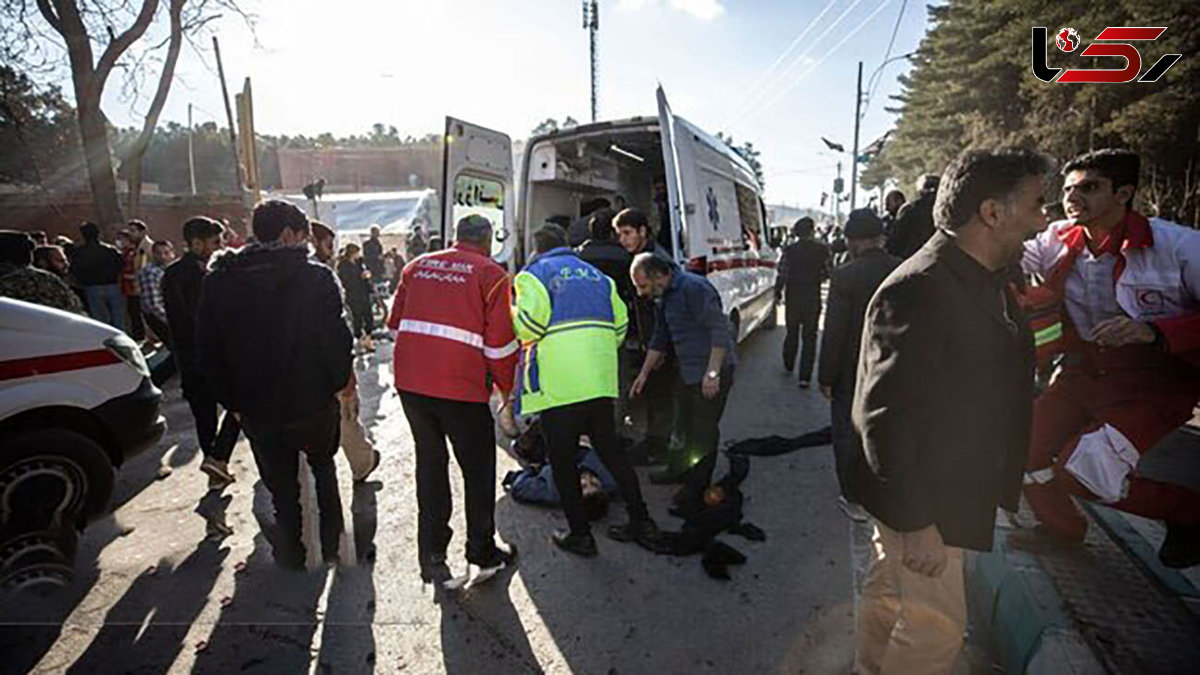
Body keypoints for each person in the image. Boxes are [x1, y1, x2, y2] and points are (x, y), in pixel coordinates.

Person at [852, 149, 1048, 674]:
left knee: (888, 594)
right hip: (927, 503)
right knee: (933, 634)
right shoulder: (922, 287)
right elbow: (884, 417)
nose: (1043, 219)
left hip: (940, 493)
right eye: (1036, 204)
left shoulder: (985, 278)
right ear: (992, 212)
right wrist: (917, 523)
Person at [1016, 149, 1200, 568]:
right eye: (1067, 189)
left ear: (1125, 193)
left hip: (1155, 383)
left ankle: (1191, 513)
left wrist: (1154, 331)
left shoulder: (1180, 247)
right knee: (1018, 450)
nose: (1073, 197)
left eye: (1089, 187)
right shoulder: (1055, 239)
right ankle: (1060, 530)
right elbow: (1005, 254)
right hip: (1082, 372)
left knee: (1086, 471)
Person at [197, 200, 353, 568]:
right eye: (303, 236)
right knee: (324, 470)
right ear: (287, 235)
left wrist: (231, 400)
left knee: (281, 487)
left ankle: (292, 554)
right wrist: (337, 384)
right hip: (312, 401)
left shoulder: (220, 280)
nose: (308, 244)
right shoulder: (316, 278)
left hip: (255, 407)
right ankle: (331, 548)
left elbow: (207, 348)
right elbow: (337, 340)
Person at [514, 223, 662, 557]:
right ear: (567, 245)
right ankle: (642, 520)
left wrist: (513, 316)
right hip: (599, 381)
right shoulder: (597, 277)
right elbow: (621, 325)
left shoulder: (532, 275)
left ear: (538, 247)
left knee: (563, 463)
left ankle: (580, 535)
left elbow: (530, 326)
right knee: (611, 453)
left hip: (561, 385)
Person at [386, 214, 518, 582]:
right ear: (488, 240)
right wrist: (505, 390)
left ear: (456, 237)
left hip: (412, 384)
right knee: (477, 471)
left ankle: (431, 553)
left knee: (429, 464)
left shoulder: (415, 267)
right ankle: (482, 551)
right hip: (461, 388)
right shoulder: (491, 275)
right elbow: (500, 345)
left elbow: (394, 325)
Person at [816, 209, 900, 523]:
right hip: (894, 366)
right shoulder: (903, 269)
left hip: (853, 369)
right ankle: (881, 490)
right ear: (881, 237)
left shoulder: (845, 275)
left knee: (847, 432)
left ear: (851, 241)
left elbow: (834, 331)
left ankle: (853, 496)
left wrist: (825, 375)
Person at [630, 253, 736, 496]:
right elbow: (660, 337)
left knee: (703, 431)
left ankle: (697, 487)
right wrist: (643, 374)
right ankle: (678, 470)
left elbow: (720, 331)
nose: (640, 293)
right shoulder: (664, 296)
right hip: (688, 371)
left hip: (711, 369)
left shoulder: (694, 289)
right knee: (682, 425)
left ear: (659, 276)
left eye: (643, 286)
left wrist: (712, 374)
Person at [163, 217, 242, 490]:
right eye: (215, 242)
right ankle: (217, 460)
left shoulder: (207, 270)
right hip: (205, 355)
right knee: (234, 406)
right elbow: (192, 318)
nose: (219, 247)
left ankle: (216, 463)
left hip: (196, 355)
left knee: (215, 414)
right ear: (196, 243)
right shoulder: (185, 275)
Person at [310, 220, 381, 483]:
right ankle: (362, 463)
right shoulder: (316, 275)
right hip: (322, 367)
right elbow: (333, 331)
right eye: (328, 244)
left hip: (297, 372)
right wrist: (346, 376)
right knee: (346, 415)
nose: (331, 249)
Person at [614, 207, 677, 469]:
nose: (622, 239)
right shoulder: (642, 255)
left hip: (661, 341)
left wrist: (658, 347)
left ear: (643, 231)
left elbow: (664, 309)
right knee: (654, 393)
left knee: (660, 394)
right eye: (619, 234)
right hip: (651, 337)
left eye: (627, 233)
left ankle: (658, 448)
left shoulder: (655, 261)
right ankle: (655, 443)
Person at [775, 217, 831, 388]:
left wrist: (778, 291)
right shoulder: (822, 250)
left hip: (793, 296)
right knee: (810, 336)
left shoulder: (789, 250)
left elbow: (782, 272)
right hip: (812, 295)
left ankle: (789, 362)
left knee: (792, 331)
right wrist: (816, 278)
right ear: (812, 230)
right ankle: (804, 377)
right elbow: (828, 272)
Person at [0, 230, 84, 313]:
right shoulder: (44, 280)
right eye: (60, 260)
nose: (66, 265)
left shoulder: (39, 280)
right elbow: (75, 309)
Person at [69, 222, 125, 329]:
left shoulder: (79, 252)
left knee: (101, 320)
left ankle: (105, 341)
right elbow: (121, 264)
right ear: (98, 233)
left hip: (92, 287)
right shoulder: (110, 250)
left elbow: (74, 269)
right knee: (118, 317)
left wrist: (82, 281)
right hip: (113, 285)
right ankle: (121, 338)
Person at [577, 207, 635, 307]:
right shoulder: (625, 256)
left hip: (587, 307)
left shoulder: (579, 255)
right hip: (618, 306)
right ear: (613, 233)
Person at [886, 174, 940, 260]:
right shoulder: (951, 208)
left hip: (914, 261)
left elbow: (895, 242)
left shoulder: (910, 209)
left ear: (920, 190)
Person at [337, 242, 376, 353]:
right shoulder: (343, 265)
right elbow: (345, 279)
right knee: (357, 317)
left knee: (368, 316)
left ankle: (368, 340)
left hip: (363, 292)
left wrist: (367, 277)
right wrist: (359, 277)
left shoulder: (360, 263)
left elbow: (364, 273)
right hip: (353, 294)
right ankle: (359, 340)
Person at [137, 240, 175, 345]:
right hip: (160, 318)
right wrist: (172, 321)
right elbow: (153, 305)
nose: (163, 256)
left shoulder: (168, 270)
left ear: (172, 253)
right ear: (153, 254)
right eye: (159, 253)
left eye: (166, 253)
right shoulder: (151, 272)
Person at [123, 220, 153, 341]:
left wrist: (133, 277)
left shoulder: (147, 247)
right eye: (129, 230)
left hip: (145, 287)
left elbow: (147, 267)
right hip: (136, 288)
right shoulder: (135, 247)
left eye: (133, 231)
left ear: (142, 232)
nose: (130, 233)